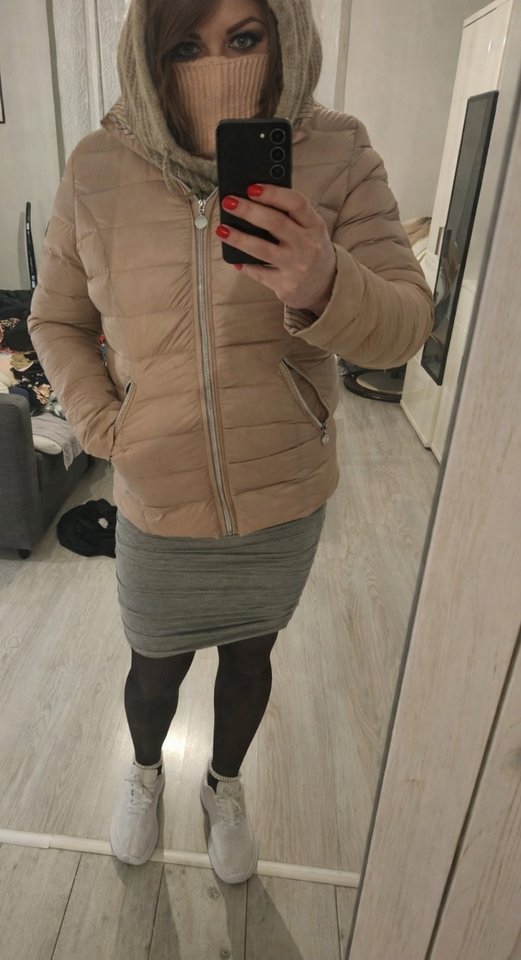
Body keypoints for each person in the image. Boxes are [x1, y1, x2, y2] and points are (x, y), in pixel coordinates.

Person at [28, 0, 433, 883]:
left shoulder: (337, 150)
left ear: (283, 35)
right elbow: (54, 318)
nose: (218, 66)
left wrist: (324, 281)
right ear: (148, 53)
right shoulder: (98, 165)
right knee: (154, 668)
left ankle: (224, 785)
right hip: (156, 489)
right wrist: (101, 424)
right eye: (187, 45)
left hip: (282, 489)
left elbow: (405, 326)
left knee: (251, 657)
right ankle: (143, 775)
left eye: (244, 38)